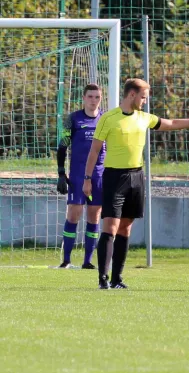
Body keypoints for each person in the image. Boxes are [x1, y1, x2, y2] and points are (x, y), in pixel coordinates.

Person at [83, 78, 189, 289]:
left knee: (125, 230)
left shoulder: (144, 118)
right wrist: (87, 179)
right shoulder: (108, 118)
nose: (145, 101)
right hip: (114, 178)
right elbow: (94, 150)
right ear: (132, 95)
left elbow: (173, 124)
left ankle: (117, 279)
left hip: (136, 178)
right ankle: (103, 279)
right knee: (110, 228)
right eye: (143, 97)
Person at [56, 83, 105, 269]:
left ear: (100, 99)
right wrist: (61, 173)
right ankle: (66, 260)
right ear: (84, 98)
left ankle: (88, 261)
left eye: (97, 97)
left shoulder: (105, 119)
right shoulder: (74, 119)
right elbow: (62, 146)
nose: (93, 100)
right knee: (74, 214)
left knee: (94, 216)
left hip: (99, 175)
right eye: (90, 97)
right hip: (77, 174)